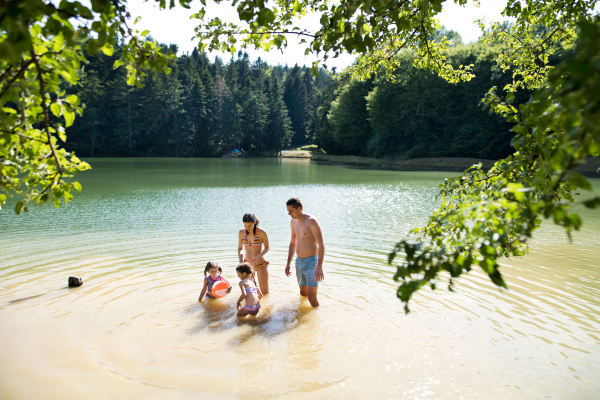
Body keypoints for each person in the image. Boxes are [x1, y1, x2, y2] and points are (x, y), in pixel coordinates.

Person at [285, 197, 325, 307]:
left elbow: (321, 244)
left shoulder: (311, 221)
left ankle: (318, 318)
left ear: (299, 209)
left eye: (290, 211)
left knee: (312, 298)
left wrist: (320, 265)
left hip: (311, 262)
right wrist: (288, 263)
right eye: (288, 211)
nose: (289, 213)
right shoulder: (293, 222)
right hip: (299, 261)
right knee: (303, 294)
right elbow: (293, 243)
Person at [238, 213, 271, 294]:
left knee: (265, 293)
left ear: (255, 222)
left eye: (249, 226)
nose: (247, 228)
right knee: (249, 293)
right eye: (245, 226)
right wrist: (241, 260)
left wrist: (258, 257)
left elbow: (267, 248)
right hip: (247, 266)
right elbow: (240, 248)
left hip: (260, 264)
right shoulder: (241, 233)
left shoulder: (261, 232)